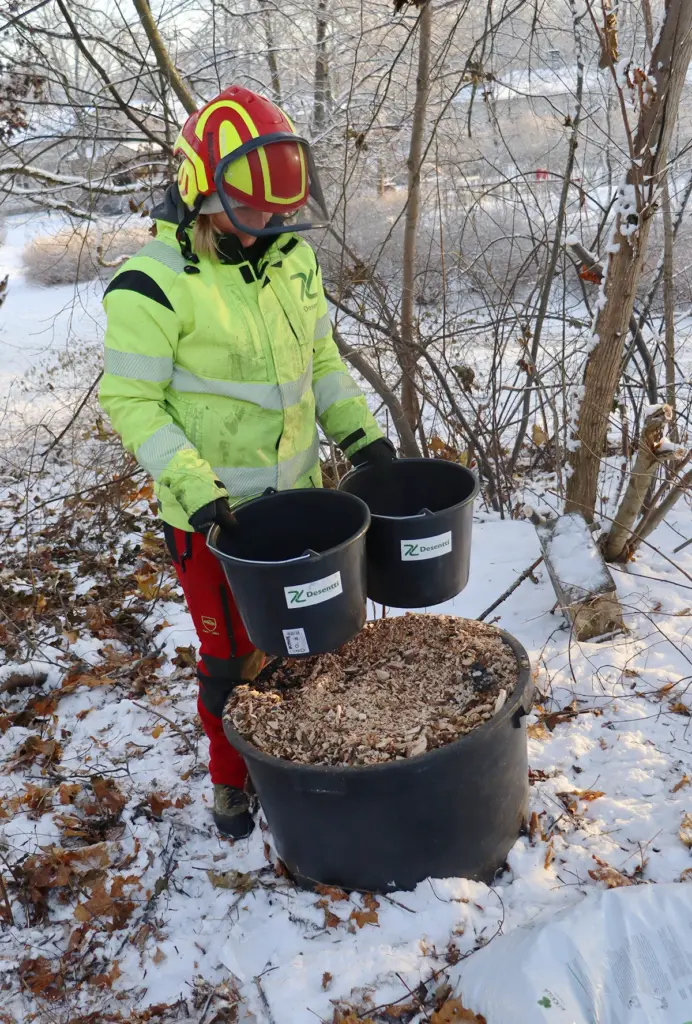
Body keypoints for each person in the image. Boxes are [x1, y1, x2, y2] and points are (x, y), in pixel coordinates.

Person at [99, 85, 396, 839]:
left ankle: (306, 758)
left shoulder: (291, 260)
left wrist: (359, 433)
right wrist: (195, 486)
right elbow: (133, 402)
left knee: (308, 635)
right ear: (202, 190)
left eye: (280, 210)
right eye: (253, 210)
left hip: (297, 497)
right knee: (231, 658)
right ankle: (233, 783)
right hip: (214, 518)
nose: (270, 224)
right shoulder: (153, 285)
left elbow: (320, 359)